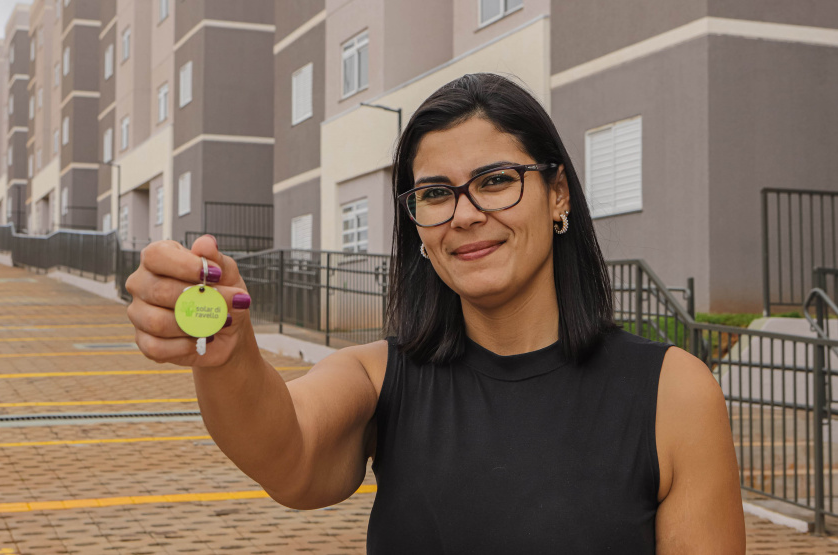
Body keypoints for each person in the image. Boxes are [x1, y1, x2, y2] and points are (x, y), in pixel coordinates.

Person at [126, 73, 745, 553]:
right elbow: (286, 454)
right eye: (434, 194)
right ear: (417, 225)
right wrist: (228, 350)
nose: (466, 214)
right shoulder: (379, 378)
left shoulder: (674, 393)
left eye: (497, 180)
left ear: (558, 194)